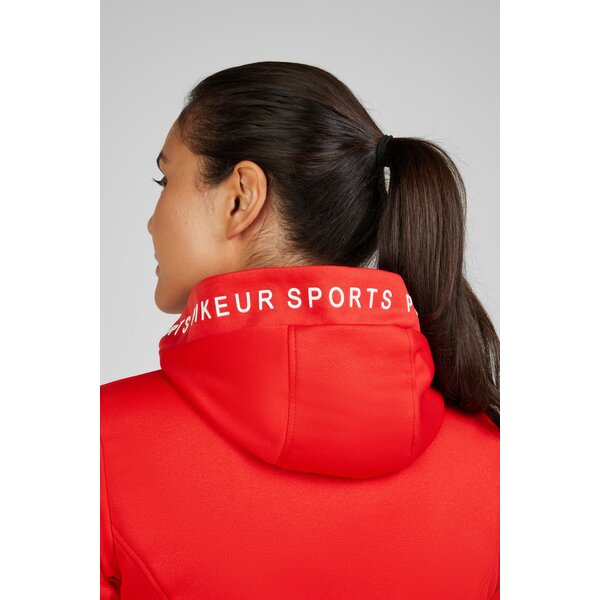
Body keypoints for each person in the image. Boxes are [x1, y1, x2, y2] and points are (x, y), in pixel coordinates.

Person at [101, 60, 500, 599]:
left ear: (240, 197)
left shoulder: (97, 448)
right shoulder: (497, 464)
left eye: (165, 179)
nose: (152, 219)